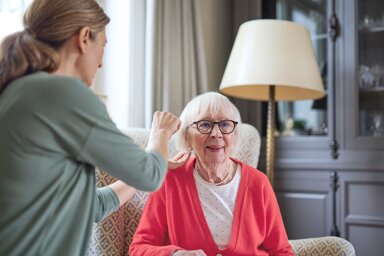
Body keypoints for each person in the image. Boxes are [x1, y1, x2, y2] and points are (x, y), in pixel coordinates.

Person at [0, 0, 185, 255]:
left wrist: (147, 169)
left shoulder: (20, 90)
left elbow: (91, 206)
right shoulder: (62, 93)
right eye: (103, 47)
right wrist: (161, 132)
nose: (101, 64)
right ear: (85, 37)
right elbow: (149, 175)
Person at [129, 92, 294, 256]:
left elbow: (282, 251)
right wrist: (175, 254)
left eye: (225, 124)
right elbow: (138, 249)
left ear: (235, 135)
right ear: (186, 137)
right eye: (205, 125)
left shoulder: (259, 182)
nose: (216, 133)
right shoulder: (170, 180)